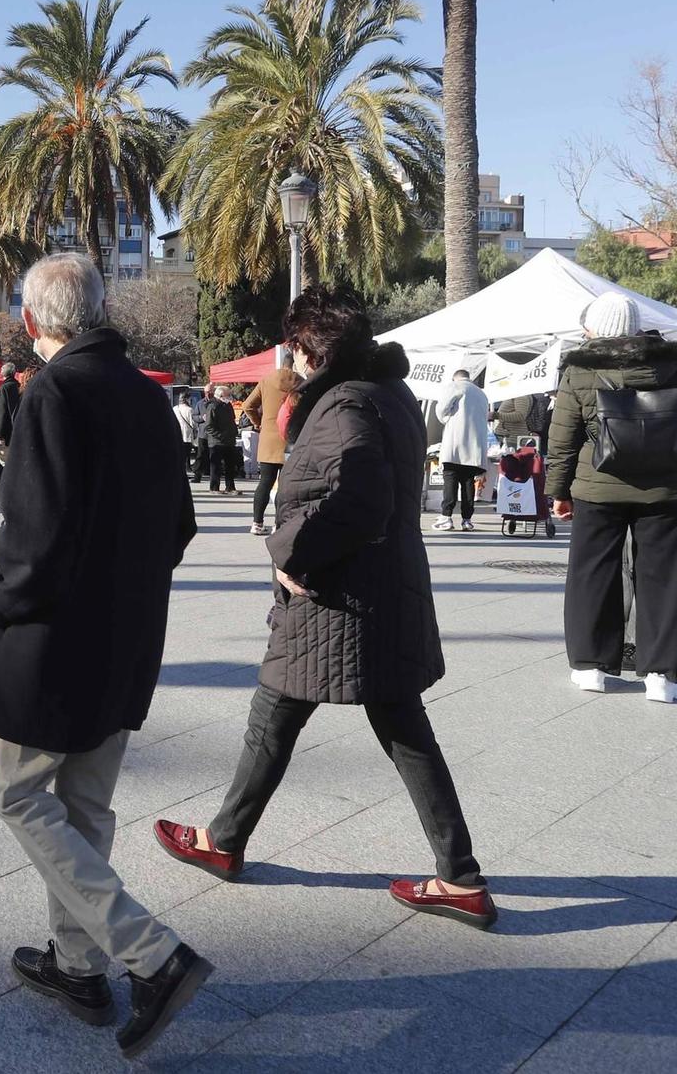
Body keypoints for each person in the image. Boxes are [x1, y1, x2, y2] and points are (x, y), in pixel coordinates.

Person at [153, 287, 496, 933]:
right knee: (379, 727)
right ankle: (460, 874)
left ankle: (225, 840)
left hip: (339, 601)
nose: (293, 357)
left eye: (297, 345)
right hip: (376, 596)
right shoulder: (386, 391)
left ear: (313, 347)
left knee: (281, 717)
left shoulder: (345, 403)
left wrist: (289, 551)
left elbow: (360, 501)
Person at [0, 253, 207, 1058]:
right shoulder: (146, 394)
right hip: (127, 632)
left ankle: (149, 954)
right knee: (87, 804)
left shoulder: (54, 391)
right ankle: (75, 965)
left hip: (54, 640)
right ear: (98, 310)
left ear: (36, 322)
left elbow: (31, 539)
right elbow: (179, 525)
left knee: (18, 793)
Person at [546, 292, 677, 703]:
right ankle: (660, 676)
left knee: (591, 575)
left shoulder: (579, 369)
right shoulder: (675, 366)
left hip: (595, 486)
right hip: (666, 489)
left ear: (596, 329)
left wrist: (558, 491)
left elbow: (563, 437)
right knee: (662, 581)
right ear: (636, 326)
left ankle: (590, 667)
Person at [239, 359, 301, 536]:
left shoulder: (266, 380)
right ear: (294, 362)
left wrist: (259, 423)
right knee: (285, 485)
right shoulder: (300, 382)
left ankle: (256, 523)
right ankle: (278, 524)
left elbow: (247, 405)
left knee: (265, 483)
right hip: (291, 438)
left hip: (268, 438)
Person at [434, 368, 490, 532]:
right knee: (468, 483)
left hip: (455, 443)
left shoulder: (455, 386)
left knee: (450, 480)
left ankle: (446, 516)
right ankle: (467, 519)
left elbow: (441, 409)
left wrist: (447, 419)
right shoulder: (481, 393)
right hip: (475, 446)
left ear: (455, 378)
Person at [0, 363, 22, 466]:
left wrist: (0, 434)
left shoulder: (4, 388)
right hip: (14, 430)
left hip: (5, 433)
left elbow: (2, 411)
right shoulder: (18, 386)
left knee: (3, 462)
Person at [172, 391, 197, 477]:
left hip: (177, 434)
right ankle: (187, 469)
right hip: (187, 435)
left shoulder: (175, 408)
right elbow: (193, 423)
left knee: (178, 453)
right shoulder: (189, 410)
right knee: (187, 454)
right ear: (186, 399)